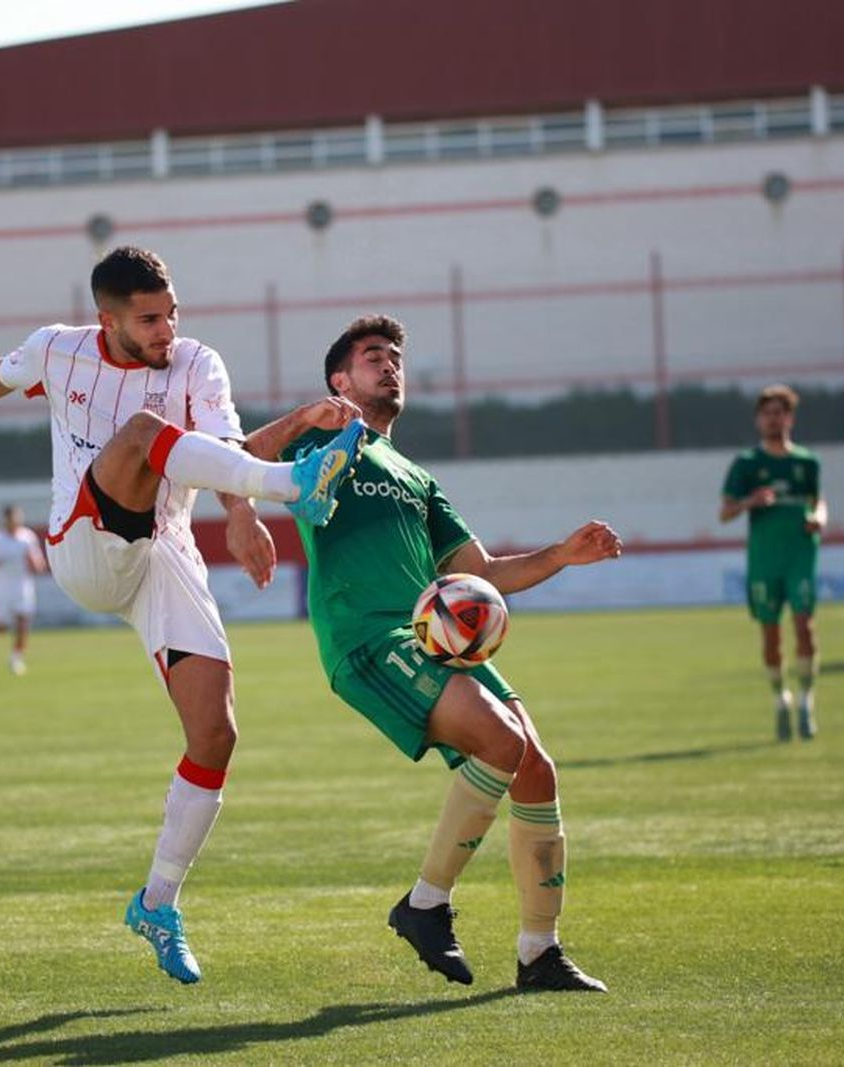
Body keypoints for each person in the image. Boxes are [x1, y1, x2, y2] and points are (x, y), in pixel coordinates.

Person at [0, 246, 365, 984]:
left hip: (165, 555)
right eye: (150, 318)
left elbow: (223, 450)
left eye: (173, 312)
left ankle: (157, 901)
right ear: (108, 318)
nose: (168, 329)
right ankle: (301, 486)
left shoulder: (197, 362)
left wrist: (244, 510)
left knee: (215, 733)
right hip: (85, 547)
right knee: (143, 433)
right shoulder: (58, 351)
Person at [257, 314, 621, 992]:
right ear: (340, 379)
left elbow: (480, 571)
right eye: (373, 357)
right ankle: (426, 904)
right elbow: (234, 456)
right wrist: (302, 417)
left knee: (536, 767)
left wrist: (563, 555)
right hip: (369, 637)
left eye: (396, 356)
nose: (390, 364)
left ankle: (539, 952)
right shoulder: (320, 440)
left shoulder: (418, 477)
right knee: (504, 744)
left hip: (434, 640)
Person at [719, 385, 827, 741]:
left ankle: (807, 701)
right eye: (767, 413)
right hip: (765, 557)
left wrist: (819, 518)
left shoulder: (807, 462)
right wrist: (751, 501)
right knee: (771, 634)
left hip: (800, 551)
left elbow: (819, 501)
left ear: (790, 418)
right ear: (758, 420)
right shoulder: (747, 464)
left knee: (805, 625)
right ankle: (781, 698)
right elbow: (725, 513)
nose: (773, 418)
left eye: (779, 412)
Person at [0, 505, 47, 675]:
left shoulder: (27, 536)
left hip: (22, 583)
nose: (16, 521)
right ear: (6, 519)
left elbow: (37, 559)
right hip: (1, 585)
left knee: (23, 621)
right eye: (12, 518)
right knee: (3, 625)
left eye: (18, 517)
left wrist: (38, 565)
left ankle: (16, 658)